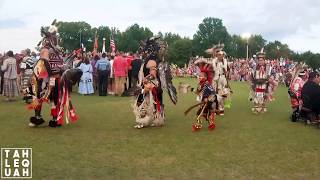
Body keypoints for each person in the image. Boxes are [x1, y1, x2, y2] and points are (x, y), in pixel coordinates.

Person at [250, 48, 271, 114]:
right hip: (257, 83)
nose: (261, 61)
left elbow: (268, 76)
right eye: (259, 60)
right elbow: (252, 76)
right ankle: (256, 108)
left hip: (264, 83)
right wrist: (253, 83)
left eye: (262, 60)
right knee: (256, 95)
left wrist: (266, 81)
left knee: (263, 95)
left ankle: (262, 107)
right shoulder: (255, 67)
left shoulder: (267, 67)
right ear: (258, 61)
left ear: (264, 60)